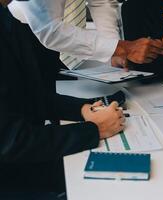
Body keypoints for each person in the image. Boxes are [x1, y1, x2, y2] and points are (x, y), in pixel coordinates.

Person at [0, 0, 125, 197]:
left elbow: (31, 95)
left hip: (21, 161)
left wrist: (81, 109)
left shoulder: (6, 19)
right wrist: (93, 130)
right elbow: (9, 141)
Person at [8, 0, 163, 69]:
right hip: (25, 34)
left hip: (71, 38)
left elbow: (100, 2)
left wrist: (114, 49)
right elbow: (50, 29)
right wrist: (122, 48)